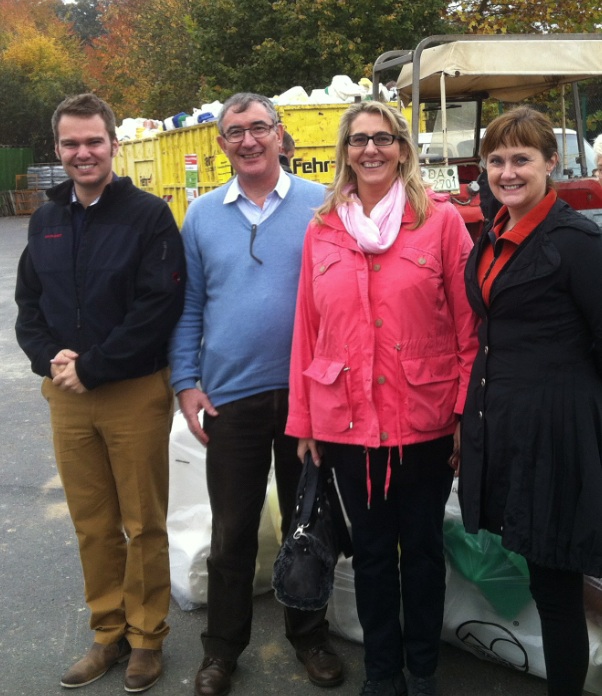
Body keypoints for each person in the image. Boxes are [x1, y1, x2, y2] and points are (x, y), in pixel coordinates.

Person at [286, 101, 479, 696]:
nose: (371, 149)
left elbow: (470, 328)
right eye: (359, 139)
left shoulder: (440, 222)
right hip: (348, 422)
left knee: (421, 550)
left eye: (383, 138)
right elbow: (307, 328)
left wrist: (465, 414)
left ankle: (422, 670)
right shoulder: (323, 228)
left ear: (402, 149)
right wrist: (304, 421)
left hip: (424, 419)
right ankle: (382, 673)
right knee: (370, 554)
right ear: (345, 152)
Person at [168, 92, 343, 696]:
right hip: (231, 398)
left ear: (279, 133)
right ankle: (221, 650)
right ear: (221, 144)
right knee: (232, 531)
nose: (248, 140)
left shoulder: (322, 205)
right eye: (235, 132)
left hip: (307, 398)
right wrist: (185, 382)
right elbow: (190, 305)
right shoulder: (201, 216)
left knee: (306, 523)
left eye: (259, 128)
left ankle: (310, 636)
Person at [14, 94, 186, 692]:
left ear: (114, 144)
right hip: (67, 392)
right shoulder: (46, 219)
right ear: (58, 149)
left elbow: (158, 306)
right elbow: (29, 306)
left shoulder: (148, 216)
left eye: (93, 141)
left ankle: (147, 638)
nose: (82, 152)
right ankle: (108, 632)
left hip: (132, 391)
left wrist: (95, 365)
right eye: (71, 143)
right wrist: (50, 359)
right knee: (92, 521)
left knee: (143, 522)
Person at [459, 105, 602, 696]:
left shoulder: (576, 242)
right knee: (544, 577)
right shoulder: (495, 233)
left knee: (557, 585)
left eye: (522, 159)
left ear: (551, 162)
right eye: (496, 160)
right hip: (508, 428)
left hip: (558, 435)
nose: (507, 172)